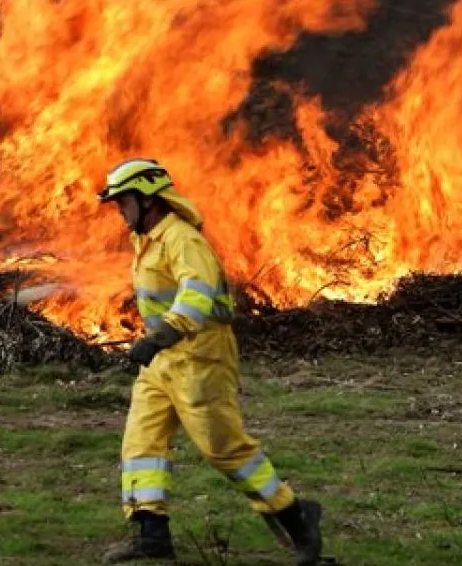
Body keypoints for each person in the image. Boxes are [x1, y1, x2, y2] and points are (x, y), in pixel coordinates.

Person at [96, 158, 324, 565]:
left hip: (201, 357)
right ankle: (152, 535)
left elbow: (196, 293)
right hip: (164, 361)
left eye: (123, 200)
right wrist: (159, 343)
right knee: (141, 444)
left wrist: (164, 333)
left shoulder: (183, 240)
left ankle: (296, 516)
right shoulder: (147, 239)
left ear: (148, 200)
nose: (118, 210)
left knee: (225, 450)